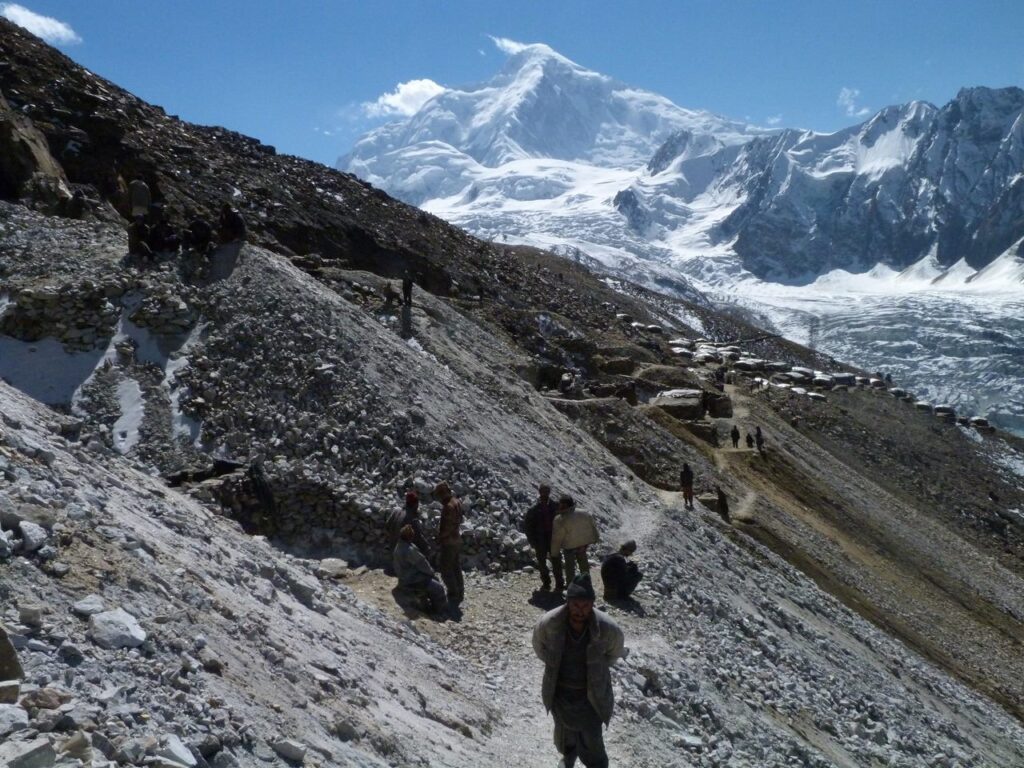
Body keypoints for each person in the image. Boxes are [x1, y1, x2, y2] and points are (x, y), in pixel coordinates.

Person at [533, 573, 625, 768]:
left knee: (592, 737)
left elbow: (613, 654)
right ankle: (568, 756)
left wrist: (595, 671)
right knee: (564, 731)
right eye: (575, 605)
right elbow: (540, 648)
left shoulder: (607, 627)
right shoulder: (550, 623)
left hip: (590, 694)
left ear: (592, 605)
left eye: (585, 606)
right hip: (561, 691)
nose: (580, 611)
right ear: (568, 603)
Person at [393, 525, 447, 614]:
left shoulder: (399, 546)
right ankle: (439, 612)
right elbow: (423, 564)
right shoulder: (409, 550)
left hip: (403, 577)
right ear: (410, 537)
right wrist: (432, 574)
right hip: (412, 579)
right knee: (438, 588)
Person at [550, 495, 600, 586]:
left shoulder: (560, 519)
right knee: (584, 566)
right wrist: (592, 540)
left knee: (570, 568)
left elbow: (557, 538)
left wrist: (554, 553)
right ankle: (586, 584)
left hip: (569, 546)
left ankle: (571, 586)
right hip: (583, 545)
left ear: (564, 505)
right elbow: (592, 528)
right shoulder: (584, 513)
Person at [523, 483, 563, 592]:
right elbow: (528, 526)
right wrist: (532, 541)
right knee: (541, 562)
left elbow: (563, 522)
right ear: (539, 492)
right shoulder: (534, 509)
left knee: (557, 561)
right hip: (540, 539)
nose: (545, 493)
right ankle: (546, 583)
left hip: (554, 538)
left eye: (547, 491)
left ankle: (559, 584)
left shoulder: (556, 506)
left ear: (549, 492)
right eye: (543, 491)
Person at [434, 481, 464, 606]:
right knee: (455, 566)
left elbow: (446, 528)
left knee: (445, 568)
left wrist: (439, 538)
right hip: (457, 539)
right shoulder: (457, 502)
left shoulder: (448, 507)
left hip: (449, 542)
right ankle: (460, 590)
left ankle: (453, 593)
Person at [387, 491, 430, 557]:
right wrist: (428, 548)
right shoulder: (413, 519)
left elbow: (387, 525)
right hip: (403, 555)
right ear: (415, 504)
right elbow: (419, 538)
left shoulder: (396, 511)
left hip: (392, 549)